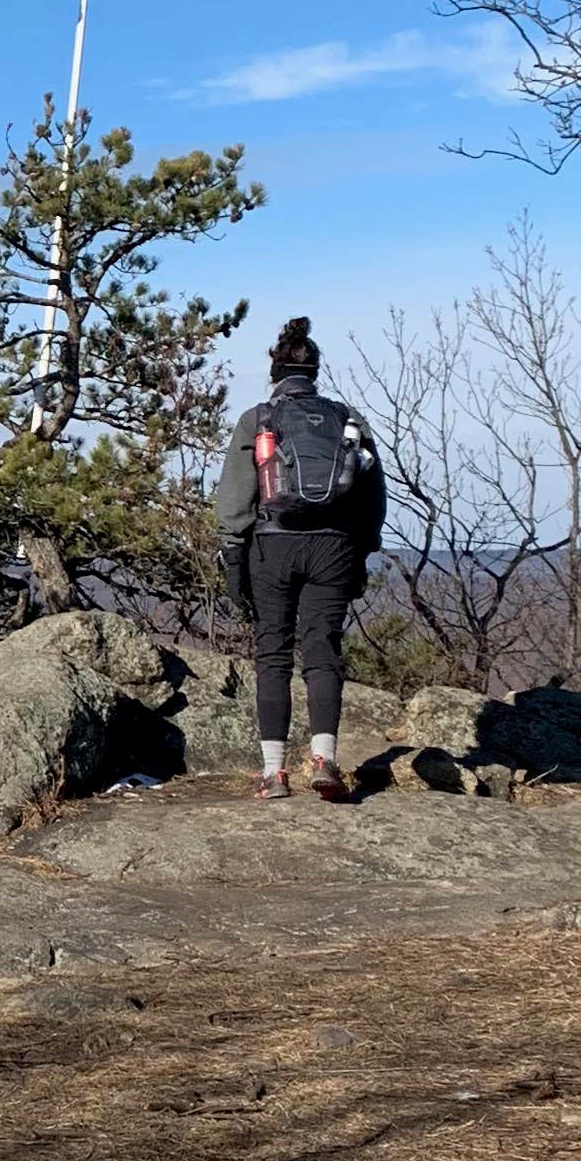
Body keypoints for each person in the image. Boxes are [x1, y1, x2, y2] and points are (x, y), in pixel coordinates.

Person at [211, 316, 387, 803]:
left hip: (274, 545)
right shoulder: (346, 418)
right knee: (323, 650)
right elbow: (373, 495)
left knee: (272, 653)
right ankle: (325, 762)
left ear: (276, 371)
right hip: (334, 546)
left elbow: (236, 497)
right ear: (315, 372)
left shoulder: (258, 418)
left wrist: (232, 553)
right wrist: (362, 551)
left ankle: (274, 774)